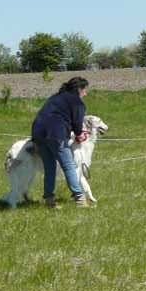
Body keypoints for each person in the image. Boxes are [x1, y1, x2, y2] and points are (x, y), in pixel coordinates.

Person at [31, 77, 90, 208]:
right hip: (56, 135)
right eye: (85, 90)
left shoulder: (55, 98)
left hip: (38, 133)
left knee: (49, 168)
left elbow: (41, 115)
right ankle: (80, 199)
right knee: (69, 166)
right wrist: (80, 135)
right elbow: (77, 123)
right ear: (79, 89)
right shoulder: (77, 102)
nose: (86, 94)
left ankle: (49, 200)